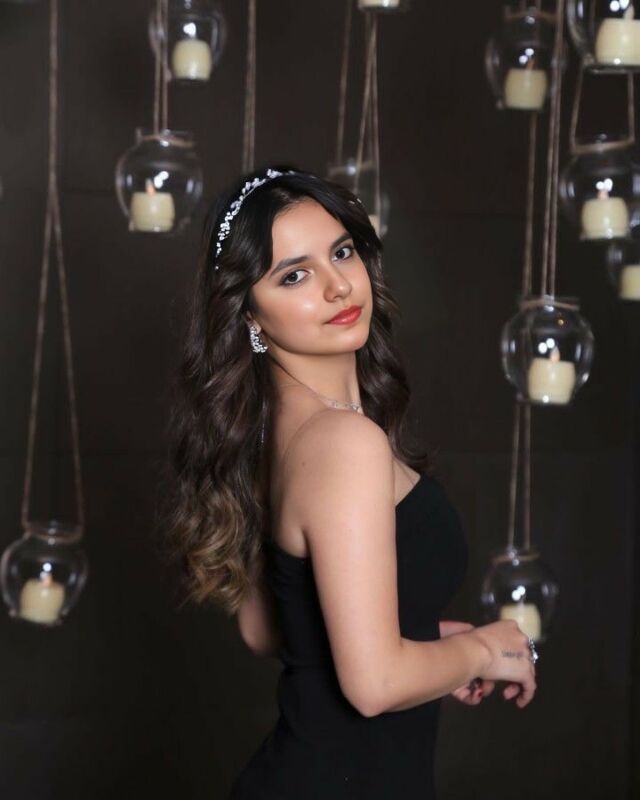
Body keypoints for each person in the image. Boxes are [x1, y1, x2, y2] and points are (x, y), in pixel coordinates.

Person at [166, 166, 538, 799]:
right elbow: (374, 685)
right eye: (294, 275)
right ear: (249, 313)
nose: (339, 285)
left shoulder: (268, 431)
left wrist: (427, 642)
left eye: (342, 252)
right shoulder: (344, 443)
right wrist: (485, 649)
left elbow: (266, 629)